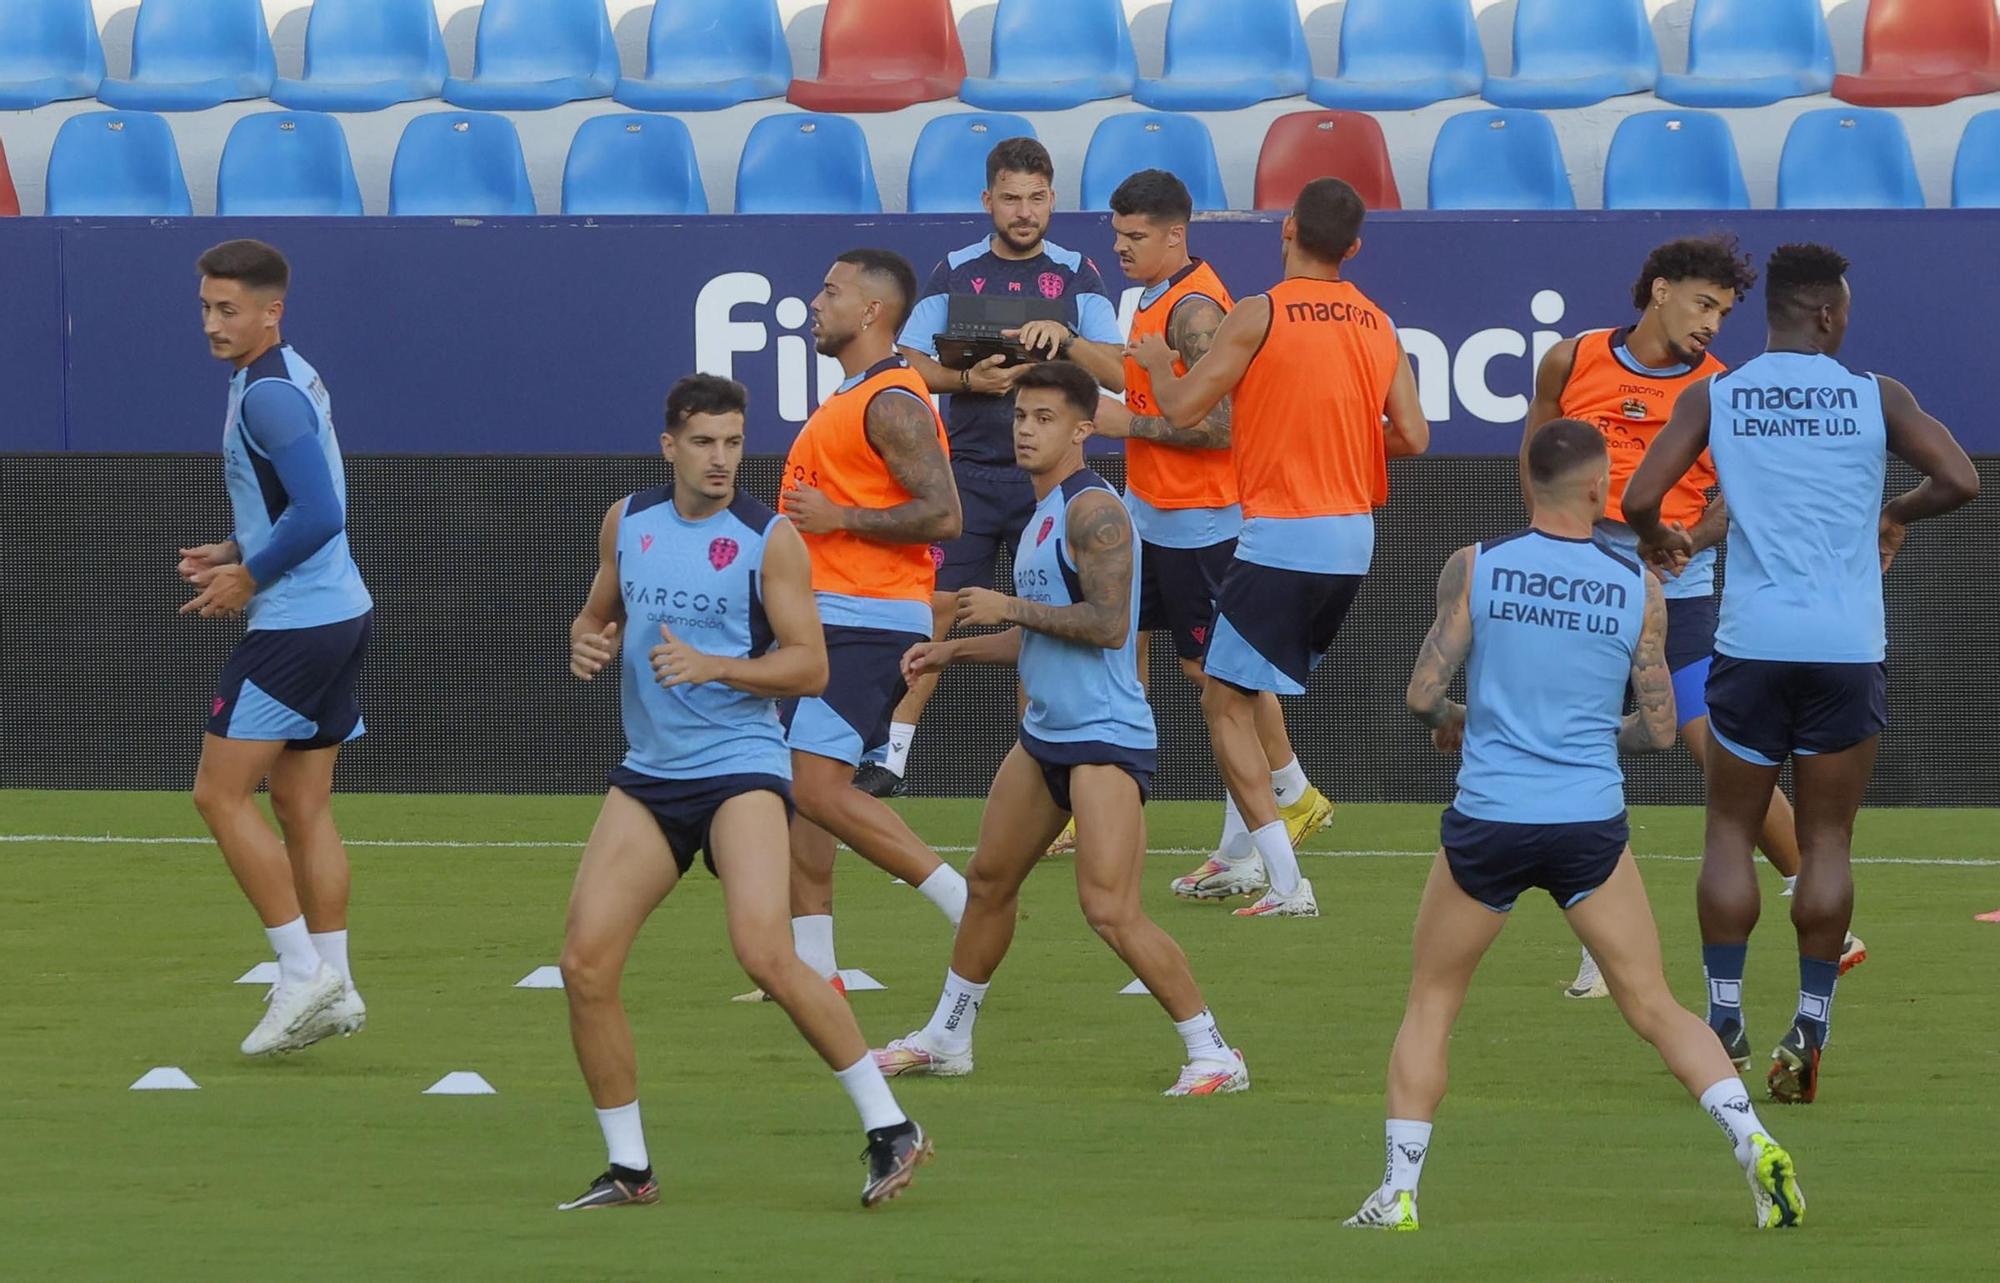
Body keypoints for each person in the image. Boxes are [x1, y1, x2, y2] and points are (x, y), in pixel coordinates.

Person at [1344, 419, 1804, 1233]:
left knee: (1432, 1001)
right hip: (1587, 822)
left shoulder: (1476, 566)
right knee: (1657, 1004)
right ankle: (1753, 1141)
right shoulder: (1638, 587)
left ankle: (1400, 1191)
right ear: (1600, 492)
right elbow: (1660, 728)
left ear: (1528, 483)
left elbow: (1421, 696)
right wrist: (1597, 732)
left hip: (1489, 818)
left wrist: (1460, 715)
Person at [560, 375, 932, 1211]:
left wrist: (717, 665)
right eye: (704, 441)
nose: (722, 458)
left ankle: (890, 1126)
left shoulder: (771, 540)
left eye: (733, 441)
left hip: (740, 767)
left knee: (765, 951)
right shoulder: (629, 520)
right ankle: (629, 1168)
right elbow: (597, 615)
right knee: (584, 964)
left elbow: (810, 664)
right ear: (670, 445)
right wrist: (588, 643)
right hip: (651, 772)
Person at [1624, 243, 1978, 1104]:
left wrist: (1665, 540)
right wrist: (1895, 512)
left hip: (1751, 645)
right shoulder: (1874, 397)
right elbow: (1960, 478)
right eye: (1845, 308)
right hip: (1845, 647)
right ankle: (1811, 1023)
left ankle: (1725, 1015)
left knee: (1727, 832)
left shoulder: (1719, 393)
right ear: (1826, 314)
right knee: (1825, 842)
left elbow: (1640, 496)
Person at [872, 362, 1248, 1097]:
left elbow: (1109, 627)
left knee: (1109, 909)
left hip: (1105, 738)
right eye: (1020, 416)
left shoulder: (1092, 511)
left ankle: (1213, 1050)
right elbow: (1043, 634)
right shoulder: (1042, 512)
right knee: (988, 881)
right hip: (1047, 736)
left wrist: (1008, 606)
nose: (1025, 429)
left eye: (1044, 418)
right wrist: (953, 649)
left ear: (1082, 431)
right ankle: (948, 1037)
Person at [1521, 236, 1867, 1007]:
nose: (1714, 323)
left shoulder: (1720, 388)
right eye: (1703, 303)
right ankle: (1600, 946)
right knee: (1574, 755)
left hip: (1677, 589)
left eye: (1725, 311)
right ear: (1659, 292)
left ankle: (1822, 909)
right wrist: (1549, 537)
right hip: (1585, 582)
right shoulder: (1571, 361)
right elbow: (1539, 448)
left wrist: (1684, 543)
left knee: (1717, 750)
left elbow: (1733, 498)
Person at [1134, 178, 1429, 918]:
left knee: (1221, 701)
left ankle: (1288, 880)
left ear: (1287, 227)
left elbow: (1182, 406)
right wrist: (1343, 440)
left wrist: (1152, 360)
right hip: (1354, 537)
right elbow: (1414, 437)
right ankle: (1239, 855)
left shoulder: (1258, 311)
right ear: (1355, 247)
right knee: (1236, 688)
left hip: (1282, 533)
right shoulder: (1378, 321)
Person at [855, 136, 1128, 806]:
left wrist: (1062, 339)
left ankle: (1049, 771)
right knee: (935, 610)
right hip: (969, 472)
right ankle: (890, 757)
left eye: (1037, 197)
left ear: (1054, 199)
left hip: (1053, 484)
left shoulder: (1075, 275)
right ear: (988, 200)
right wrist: (963, 376)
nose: (1025, 210)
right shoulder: (956, 269)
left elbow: (1119, 371)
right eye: (1011, 197)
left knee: (1045, 622)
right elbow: (907, 359)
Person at [1089, 169, 1335, 897]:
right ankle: (1244, 845)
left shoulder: (1197, 308)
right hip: (1158, 515)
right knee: (1194, 675)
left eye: (1136, 237)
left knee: (1219, 682)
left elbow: (1221, 426)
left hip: (1203, 523)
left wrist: (1121, 423)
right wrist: (1071, 350)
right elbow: (1137, 372)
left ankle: (1289, 799)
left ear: (1176, 234)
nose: (1122, 247)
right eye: (1117, 234)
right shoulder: (1158, 297)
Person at [179, 239, 372, 1057]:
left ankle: (300, 972)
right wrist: (236, 548)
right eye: (206, 307)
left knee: (218, 796)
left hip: (296, 622)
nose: (214, 323)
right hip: (336, 611)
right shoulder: (279, 376)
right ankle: (337, 984)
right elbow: (295, 499)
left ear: (271, 311)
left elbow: (323, 510)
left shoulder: (267, 397)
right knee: (301, 805)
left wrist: (250, 576)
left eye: (229, 309)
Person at [761, 249, 969, 999]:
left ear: (873, 312)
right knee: (806, 790)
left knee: (812, 786)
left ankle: (963, 901)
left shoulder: (891, 400)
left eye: (830, 290)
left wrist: (840, 516)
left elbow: (946, 514)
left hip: (867, 617)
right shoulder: (854, 396)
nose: (815, 301)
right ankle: (814, 969)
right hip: (831, 616)